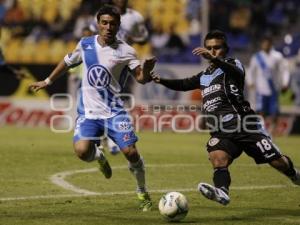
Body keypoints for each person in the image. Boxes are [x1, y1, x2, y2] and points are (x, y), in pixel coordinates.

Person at [151, 30, 300, 206]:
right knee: (217, 155)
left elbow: (233, 71)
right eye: (209, 48)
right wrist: (159, 80)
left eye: (217, 48)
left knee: (278, 162)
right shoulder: (204, 75)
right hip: (221, 130)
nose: (212, 51)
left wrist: (214, 59)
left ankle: (295, 176)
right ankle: (222, 191)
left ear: (225, 48)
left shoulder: (232, 65)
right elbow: (183, 84)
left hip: (244, 125)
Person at [29, 5, 155, 211]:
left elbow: (141, 79)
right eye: (104, 23)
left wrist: (148, 70)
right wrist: (48, 80)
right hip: (88, 112)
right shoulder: (86, 44)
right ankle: (98, 156)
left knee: (131, 153)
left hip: (114, 111)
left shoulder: (127, 51)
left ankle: (142, 191)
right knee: (81, 151)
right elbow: (67, 61)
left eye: (112, 23)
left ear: (118, 25)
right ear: (98, 24)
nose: (108, 27)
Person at [89, 0, 149, 155]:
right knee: (100, 95)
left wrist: (128, 41)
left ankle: (112, 136)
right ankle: (104, 135)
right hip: (103, 59)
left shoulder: (135, 17)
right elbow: (92, 33)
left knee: (121, 95)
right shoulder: (104, 14)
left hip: (122, 59)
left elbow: (143, 37)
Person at [247, 35, 290, 133]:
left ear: (271, 44)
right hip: (261, 89)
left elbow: (284, 70)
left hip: (274, 88)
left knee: (274, 112)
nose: (265, 45)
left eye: (267, 43)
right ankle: (261, 130)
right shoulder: (257, 57)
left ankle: (273, 130)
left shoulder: (277, 56)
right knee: (261, 111)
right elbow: (251, 71)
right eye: (264, 43)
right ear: (261, 44)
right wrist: (250, 82)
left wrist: (285, 82)